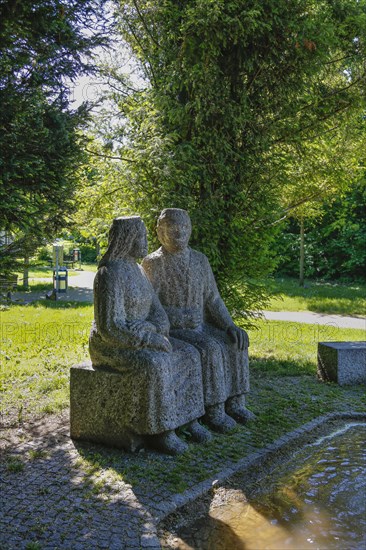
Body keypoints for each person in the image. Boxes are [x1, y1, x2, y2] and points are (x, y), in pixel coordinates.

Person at [89, 216, 208, 454]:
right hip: (113, 343)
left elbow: (159, 315)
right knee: (156, 364)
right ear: (127, 238)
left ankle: (189, 419)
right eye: (141, 236)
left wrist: (151, 330)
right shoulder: (108, 274)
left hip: (142, 334)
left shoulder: (139, 272)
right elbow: (110, 327)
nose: (146, 241)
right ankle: (161, 432)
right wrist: (147, 339)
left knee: (188, 353)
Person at [142, 208, 256, 433]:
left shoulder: (199, 260)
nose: (179, 233)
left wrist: (229, 325)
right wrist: (177, 317)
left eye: (184, 227)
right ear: (160, 232)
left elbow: (213, 299)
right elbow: (150, 307)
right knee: (211, 349)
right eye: (173, 228)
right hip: (174, 330)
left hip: (200, 326)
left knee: (235, 341)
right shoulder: (154, 263)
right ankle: (214, 411)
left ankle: (235, 402)